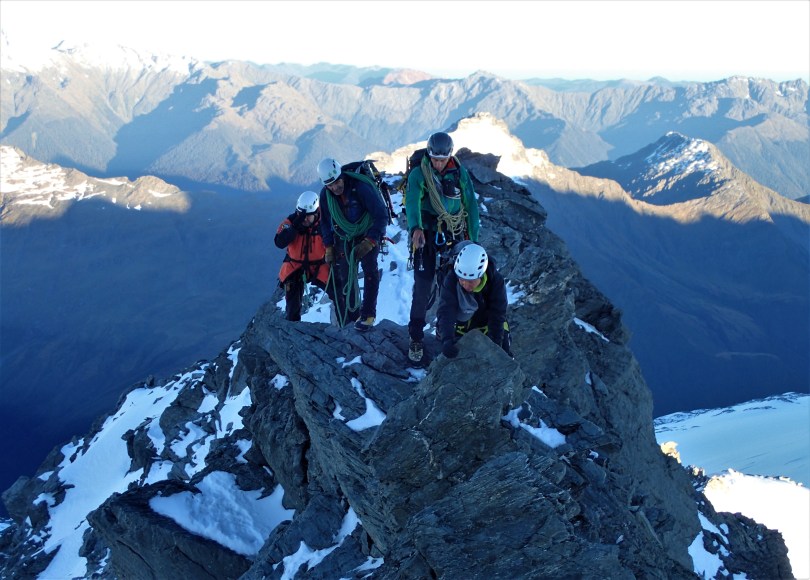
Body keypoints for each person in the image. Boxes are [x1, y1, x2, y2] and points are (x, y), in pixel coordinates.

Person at [405, 131, 481, 363]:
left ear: (449, 155)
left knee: (453, 283)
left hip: (452, 232)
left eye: (442, 159)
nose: (438, 164)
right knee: (423, 285)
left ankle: (445, 330)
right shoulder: (419, 173)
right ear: (429, 155)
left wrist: (473, 240)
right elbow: (412, 201)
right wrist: (415, 228)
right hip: (427, 234)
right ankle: (415, 337)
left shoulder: (459, 172)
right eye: (435, 159)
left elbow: (470, 203)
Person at [317, 157, 389, 331]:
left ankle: (368, 315)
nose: (335, 188)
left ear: (341, 176)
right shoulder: (326, 195)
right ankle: (352, 318)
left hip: (367, 233)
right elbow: (325, 222)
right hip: (344, 237)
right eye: (330, 185)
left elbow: (381, 215)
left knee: (370, 270)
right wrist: (328, 246)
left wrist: (370, 241)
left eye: (337, 182)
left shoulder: (360, 188)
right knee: (346, 276)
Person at [436, 243, 512, 359]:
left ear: (481, 275)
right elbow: (446, 310)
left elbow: (497, 313)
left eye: (471, 281)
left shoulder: (495, 281)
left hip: (487, 323)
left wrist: (496, 344)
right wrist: (447, 339)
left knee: (504, 349)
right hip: (460, 326)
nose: (465, 285)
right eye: (462, 280)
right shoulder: (451, 279)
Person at [274, 190, 333, 321]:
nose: (304, 219)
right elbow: (279, 242)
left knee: (338, 291)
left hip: (319, 265)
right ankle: (292, 323)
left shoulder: (325, 222)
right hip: (295, 266)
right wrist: (294, 228)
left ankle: (346, 322)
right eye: (301, 215)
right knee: (292, 305)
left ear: (316, 212)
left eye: (308, 216)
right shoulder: (291, 222)